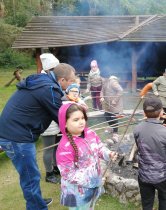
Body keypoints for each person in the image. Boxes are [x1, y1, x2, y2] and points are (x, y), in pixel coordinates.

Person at [0, 63, 75, 209]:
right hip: (17, 136)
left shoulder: (44, 81)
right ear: (62, 80)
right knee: (30, 176)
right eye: (71, 81)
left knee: (30, 175)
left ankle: (36, 201)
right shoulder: (48, 90)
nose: (72, 83)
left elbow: (58, 104)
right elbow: (62, 117)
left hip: (13, 131)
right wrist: (79, 118)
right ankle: (37, 206)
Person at [56, 103, 117, 209]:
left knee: (90, 206)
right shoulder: (65, 148)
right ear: (64, 123)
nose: (81, 122)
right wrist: (96, 182)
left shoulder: (90, 133)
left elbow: (100, 148)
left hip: (92, 186)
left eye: (82, 118)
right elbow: (69, 175)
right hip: (78, 193)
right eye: (75, 120)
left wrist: (108, 154)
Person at [133, 97, 166, 210]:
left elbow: (139, 147)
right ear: (161, 112)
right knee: (163, 198)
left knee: (147, 201)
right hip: (161, 176)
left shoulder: (137, 129)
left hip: (144, 175)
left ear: (144, 113)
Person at [40, 53, 61, 184]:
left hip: (56, 121)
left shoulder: (52, 79)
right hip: (47, 123)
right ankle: (49, 174)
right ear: (50, 69)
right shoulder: (44, 82)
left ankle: (56, 167)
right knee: (49, 149)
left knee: (56, 147)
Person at [100, 71, 124, 141]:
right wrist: (102, 97)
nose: (101, 79)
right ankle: (112, 128)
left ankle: (115, 133)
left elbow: (121, 90)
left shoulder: (113, 82)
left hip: (115, 105)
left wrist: (115, 100)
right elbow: (102, 90)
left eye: (102, 78)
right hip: (108, 104)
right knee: (106, 116)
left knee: (114, 117)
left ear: (105, 77)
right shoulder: (105, 82)